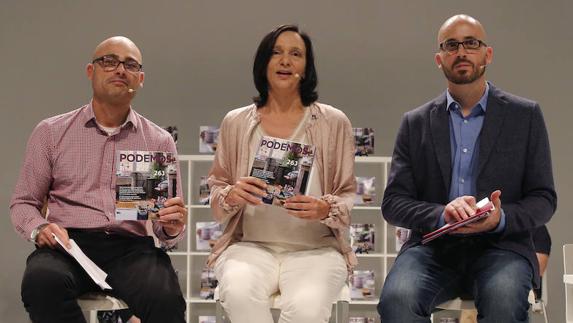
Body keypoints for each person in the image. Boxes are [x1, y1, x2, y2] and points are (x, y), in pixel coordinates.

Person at [377, 14, 557, 322]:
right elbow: (393, 204)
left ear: (487, 53)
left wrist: (501, 219)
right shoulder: (415, 123)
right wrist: (441, 214)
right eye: (451, 45)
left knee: (504, 302)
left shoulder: (524, 116)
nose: (461, 52)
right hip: (433, 249)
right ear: (439, 59)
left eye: (471, 43)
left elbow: (544, 199)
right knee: (397, 299)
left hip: (503, 249)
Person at [10, 36, 187, 323]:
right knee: (41, 283)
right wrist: (39, 228)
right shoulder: (51, 133)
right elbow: (23, 203)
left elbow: (165, 229)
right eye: (109, 61)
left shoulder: (159, 141)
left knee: (165, 298)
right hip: (68, 246)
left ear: (140, 79)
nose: (120, 69)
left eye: (130, 65)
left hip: (132, 248)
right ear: (91, 72)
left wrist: (171, 228)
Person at [207, 24, 356, 323]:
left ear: (306, 66)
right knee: (237, 294)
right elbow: (216, 193)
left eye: (296, 54)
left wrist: (325, 208)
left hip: (317, 250)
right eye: (276, 53)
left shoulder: (334, 122)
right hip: (249, 246)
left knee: (307, 310)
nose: (285, 61)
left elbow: (348, 194)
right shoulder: (235, 122)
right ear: (263, 64)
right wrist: (232, 194)